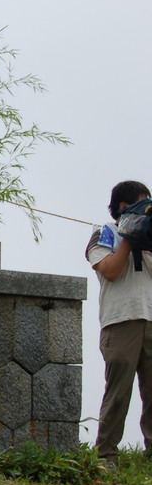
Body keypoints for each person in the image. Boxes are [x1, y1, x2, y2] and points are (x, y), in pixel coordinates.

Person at [86, 180, 152, 464]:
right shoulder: (104, 232)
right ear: (124, 207)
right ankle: (106, 455)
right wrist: (129, 236)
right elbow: (110, 271)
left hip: (151, 317)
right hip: (120, 319)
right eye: (142, 204)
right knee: (118, 392)